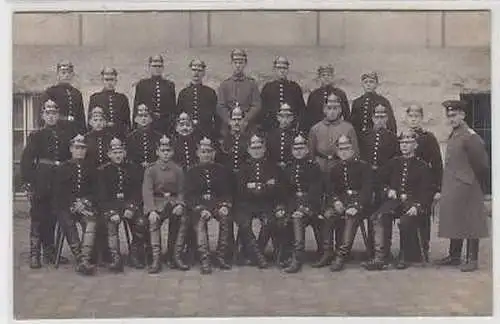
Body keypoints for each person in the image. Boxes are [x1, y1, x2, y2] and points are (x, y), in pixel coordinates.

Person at [362, 130, 433, 271]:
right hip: (395, 202)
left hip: (412, 203)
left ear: (416, 145)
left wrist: (418, 207)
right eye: (402, 143)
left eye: (408, 143)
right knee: (379, 216)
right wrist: (388, 190)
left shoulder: (423, 167)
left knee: (405, 221)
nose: (404, 146)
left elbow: (427, 191)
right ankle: (381, 256)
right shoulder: (393, 163)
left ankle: (405, 256)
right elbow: (378, 181)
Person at [435, 100, 490, 272]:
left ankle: (472, 260)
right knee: (456, 218)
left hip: (468, 185)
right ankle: (454, 256)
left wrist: (473, 182)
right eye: (449, 116)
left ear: (463, 115)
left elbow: (481, 164)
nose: (451, 119)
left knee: (471, 221)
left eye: (455, 115)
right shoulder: (456, 133)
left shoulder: (470, 136)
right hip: (455, 185)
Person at [20, 99, 74, 268]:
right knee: (38, 216)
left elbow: (68, 158)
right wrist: (28, 183)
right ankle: (34, 254)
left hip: (59, 180)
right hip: (41, 179)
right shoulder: (36, 135)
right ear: (43, 115)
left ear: (58, 115)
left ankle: (50, 252)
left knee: (53, 216)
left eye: (54, 113)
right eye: (47, 113)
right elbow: (27, 160)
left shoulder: (65, 135)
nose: (51, 117)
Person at [318, 135, 373, 272]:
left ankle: (341, 255)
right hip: (342, 202)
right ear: (337, 152)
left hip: (360, 204)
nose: (343, 152)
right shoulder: (335, 169)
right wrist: (336, 201)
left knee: (350, 217)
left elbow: (367, 190)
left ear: (353, 150)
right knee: (329, 214)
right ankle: (328, 252)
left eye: (347, 148)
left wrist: (356, 206)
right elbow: (331, 190)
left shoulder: (364, 167)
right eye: (341, 149)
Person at [235, 134, 286, 269]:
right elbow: (240, 191)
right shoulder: (243, 168)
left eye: (259, 147)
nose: (256, 150)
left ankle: (255, 253)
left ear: (264, 149)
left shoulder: (273, 167)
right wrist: (264, 186)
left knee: (269, 222)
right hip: (246, 205)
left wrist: (256, 187)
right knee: (244, 224)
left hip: (266, 204)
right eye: (253, 147)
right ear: (248, 150)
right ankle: (258, 256)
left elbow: (276, 189)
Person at [185, 137, 235, 274]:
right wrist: (201, 209)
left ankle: (221, 256)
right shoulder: (191, 172)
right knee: (200, 222)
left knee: (226, 218)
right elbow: (189, 195)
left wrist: (225, 205)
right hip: (199, 206)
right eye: (203, 151)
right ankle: (204, 259)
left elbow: (226, 192)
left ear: (214, 153)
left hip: (217, 204)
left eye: (209, 151)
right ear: (197, 153)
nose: (206, 154)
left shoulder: (221, 170)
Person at [97, 137, 147, 272]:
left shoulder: (133, 168)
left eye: (120, 152)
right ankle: (115, 258)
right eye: (114, 153)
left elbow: (138, 191)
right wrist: (111, 212)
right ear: (109, 154)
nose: (118, 155)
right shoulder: (102, 171)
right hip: (111, 205)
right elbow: (101, 196)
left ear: (124, 153)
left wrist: (131, 207)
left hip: (128, 203)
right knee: (111, 224)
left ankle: (134, 254)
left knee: (141, 222)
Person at [359, 104, 400, 261]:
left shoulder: (392, 138)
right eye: (377, 116)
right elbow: (362, 158)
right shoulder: (365, 136)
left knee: (384, 215)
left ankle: (385, 250)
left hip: (385, 181)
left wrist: (391, 184)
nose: (380, 120)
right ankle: (372, 250)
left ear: (387, 119)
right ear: (372, 118)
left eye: (383, 117)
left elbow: (395, 162)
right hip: (369, 180)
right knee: (370, 212)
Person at [52, 134, 97, 275]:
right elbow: (59, 192)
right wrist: (73, 204)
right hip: (66, 206)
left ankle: (85, 259)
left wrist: (84, 202)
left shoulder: (91, 168)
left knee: (91, 221)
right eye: (77, 148)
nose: (80, 151)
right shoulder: (63, 168)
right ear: (71, 149)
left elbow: (96, 190)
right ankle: (80, 258)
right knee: (68, 222)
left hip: (85, 206)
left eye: (83, 148)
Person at [143, 135, 187, 273]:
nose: (166, 153)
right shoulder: (151, 170)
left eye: (168, 150)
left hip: (173, 202)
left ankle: (175, 255)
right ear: (157, 152)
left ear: (172, 152)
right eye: (162, 150)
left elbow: (182, 190)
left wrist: (180, 204)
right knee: (153, 222)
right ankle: (156, 259)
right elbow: (147, 191)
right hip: (157, 202)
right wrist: (151, 210)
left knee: (183, 219)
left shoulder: (178, 169)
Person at [280, 134, 323, 273]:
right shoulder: (288, 168)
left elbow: (316, 192)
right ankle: (285, 254)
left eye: (301, 148)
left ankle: (297, 258)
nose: (298, 151)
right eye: (295, 148)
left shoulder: (314, 167)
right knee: (285, 217)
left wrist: (303, 208)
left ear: (307, 150)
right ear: (292, 151)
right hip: (293, 204)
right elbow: (286, 193)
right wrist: (292, 208)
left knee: (298, 218)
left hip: (312, 205)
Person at [406, 103, 443, 262]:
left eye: (416, 116)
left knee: (423, 217)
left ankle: (423, 250)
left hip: (425, 185)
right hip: (408, 184)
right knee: (407, 215)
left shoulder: (429, 138)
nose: (413, 119)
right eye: (411, 116)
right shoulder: (403, 136)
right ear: (407, 118)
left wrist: (437, 188)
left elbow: (437, 164)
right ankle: (409, 250)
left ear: (421, 118)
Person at [169, 111, 201, 267]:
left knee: (194, 213)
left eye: (187, 125)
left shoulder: (197, 144)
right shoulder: (172, 145)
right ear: (176, 128)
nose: (185, 128)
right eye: (181, 125)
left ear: (192, 128)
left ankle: (193, 250)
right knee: (177, 215)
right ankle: (172, 251)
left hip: (194, 187)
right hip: (178, 188)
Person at [84, 106, 114, 265]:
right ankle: (93, 251)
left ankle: (108, 249)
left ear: (105, 122)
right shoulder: (85, 139)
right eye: (95, 120)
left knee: (106, 213)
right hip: (91, 182)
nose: (98, 123)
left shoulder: (111, 138)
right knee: (94, 213)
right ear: (90, 122)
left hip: (109, 181)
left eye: (101, 120)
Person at [308, 93, 359, 173]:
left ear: (340, 110)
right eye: (329, 108)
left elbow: (355, 153)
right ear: (324, 110)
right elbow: (311, 154)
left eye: (335, 108)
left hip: (341, 168)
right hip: (320, 167)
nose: (332, 112)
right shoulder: (315, 129)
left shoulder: (348, 128)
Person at [216, 49, 261, 137]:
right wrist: (230, 121)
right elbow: (220, 106)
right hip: (229, 127)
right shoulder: (224, 85)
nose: (238, 66)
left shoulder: (251, 84)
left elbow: (256, 104)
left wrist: (246, 119)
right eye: (235, 62)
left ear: (245, 64)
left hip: (248, 126)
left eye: (240, 63)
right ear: (231, 64)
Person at [176, 59, 220, 140]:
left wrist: (215, 135)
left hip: (206, 133)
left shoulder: (210, 93)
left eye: (199, 70)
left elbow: (216, 116)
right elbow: (178, 116)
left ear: (203, 73)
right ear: (190, 71)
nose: (196, 73)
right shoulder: (183, 93)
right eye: (194, 70)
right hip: (188, 133)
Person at [259, 56, 306, 132]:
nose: (282, 71)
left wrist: (297, 126)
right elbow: (263, 111)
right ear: (274, 70)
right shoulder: (267, 88)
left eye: (284, 68)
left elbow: (301, 111)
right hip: (272, 129)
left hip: (291, 129)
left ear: (287, 70)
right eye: (279, 68)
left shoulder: (295, 87)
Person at [133, 54, 176, 133]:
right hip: (148, 124)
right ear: (149, 67)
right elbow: (136, 107)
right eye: (154, 66)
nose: (157, 68)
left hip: (165, 125)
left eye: (159, 66)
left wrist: (172, 126)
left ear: (163, 68)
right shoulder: (142, 84)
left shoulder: (169, 85)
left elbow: (173, 109)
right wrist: (135, 127)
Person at [41, 60, 87, 134]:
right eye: (63, 73)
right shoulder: (50, 92)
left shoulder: (77, 93)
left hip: (74, 132)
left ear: (72, 75)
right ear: (58, 75)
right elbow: (44, 115)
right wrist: (66, 119)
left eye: (69, 73)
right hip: (57, 132)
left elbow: (81, 117)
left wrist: (82, 134)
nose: (66, 75)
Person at [303, 64, 350, 133]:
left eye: (328, 75)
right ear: (319, 78)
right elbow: (309, 118)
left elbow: (347, 116)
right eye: (323, 75)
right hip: (318, 132)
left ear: (332, 77)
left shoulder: (340, 94)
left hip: (336, 132)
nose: (326, 77)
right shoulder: (313, 95)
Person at [88, 67, 131, 138]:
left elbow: (127, 122)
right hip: (101, 135)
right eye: (107, 80)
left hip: (119, 135)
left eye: (112, 80)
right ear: (102, 81)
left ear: (116, 81)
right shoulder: (95, 98)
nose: (109, 83)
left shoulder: (122, 98)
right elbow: (90, 122)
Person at [350, 72, 397, 138]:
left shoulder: (383, 101)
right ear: (362, 84)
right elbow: (353, 124)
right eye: (365, 82)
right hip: (360, 139)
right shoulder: (357, 102)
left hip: (376, 138)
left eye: (371, 82)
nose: (368, 84)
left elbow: (391, 124)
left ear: (376, 84)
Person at [126, 104, 162, 169]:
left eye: (146, 116)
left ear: (151, 118)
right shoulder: (130, 138)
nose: (143, 119)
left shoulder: (159, 137)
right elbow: (129, 157)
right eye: (140, 116)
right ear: (135, 119)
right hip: (136, 170)